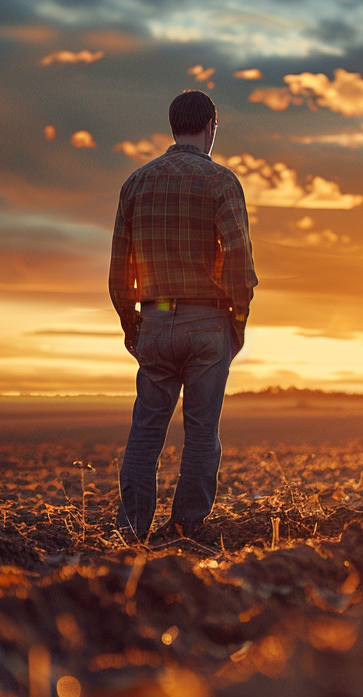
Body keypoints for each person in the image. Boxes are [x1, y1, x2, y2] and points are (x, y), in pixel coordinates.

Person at [109, 89, 258, 547]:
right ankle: (186, 531)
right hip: (207, 323)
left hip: (154, 319)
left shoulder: (137, 182)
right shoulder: (221, 181)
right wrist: (237, 322)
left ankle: (131, 531)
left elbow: (120, 268)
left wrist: (133, 324)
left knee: (146, 431)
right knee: (201, 433)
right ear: (211, 127)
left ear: (173, 126)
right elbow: (239, 261)